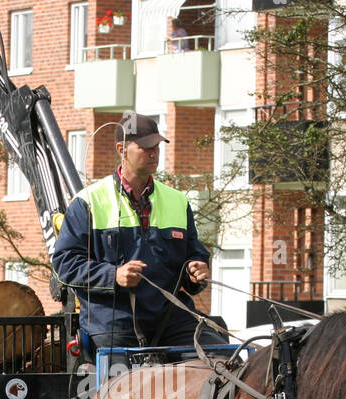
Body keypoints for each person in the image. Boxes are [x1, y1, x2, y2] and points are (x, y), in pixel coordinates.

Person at [53, 111, 227, 352]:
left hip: (171, 319)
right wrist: (113, 275)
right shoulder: (88, 201)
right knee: (127, 386)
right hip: (113, 322)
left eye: (156, 146)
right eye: (145, 147)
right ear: (121, 149)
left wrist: (194, 270)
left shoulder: (178, 201)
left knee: (223, 359)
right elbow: (65, 265)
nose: (153, 152)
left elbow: (193, 256)